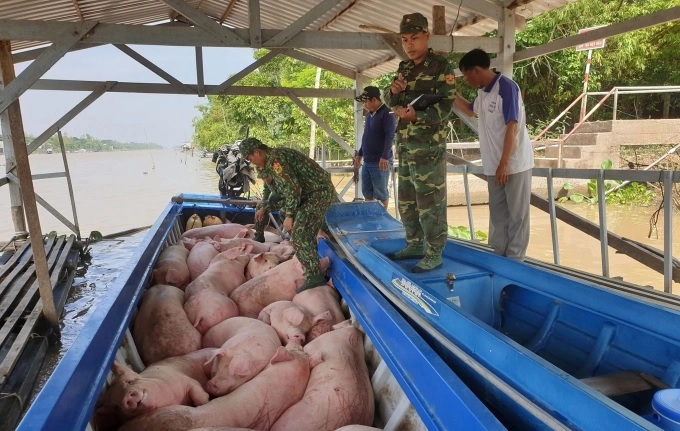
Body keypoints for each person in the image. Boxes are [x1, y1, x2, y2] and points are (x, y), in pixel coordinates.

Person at [383, 12, 456, 273]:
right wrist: (392, 93)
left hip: (429, 148)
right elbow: (390, 102)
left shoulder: (441, 67)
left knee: (430, 201)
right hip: (405, 145)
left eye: (414, 38)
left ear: (426, 36)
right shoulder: (404, 68)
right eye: (404, 40)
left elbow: (447, 107)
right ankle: (414, 243)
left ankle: (435, 251)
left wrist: (419, 115)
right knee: (407, 199)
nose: (409, 45)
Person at [454, 48, 534, 261]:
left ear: (477, 70)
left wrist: (505, 163)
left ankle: (516, 259)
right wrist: (450, 92)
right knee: (498, 213)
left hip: (514, 163)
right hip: (493, 164)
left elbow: (512, 126)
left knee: (517, 214)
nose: (466, 79)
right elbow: (471, 110)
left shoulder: (506, 88)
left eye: (466, 75)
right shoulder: (483, 91)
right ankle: (498, 255)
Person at [240, 137, 337, 292]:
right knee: (298, 229)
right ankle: (310, 263)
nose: (250, 161)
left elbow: (293, 189)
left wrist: (289, 215)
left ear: (257, 152)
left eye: (249, 158)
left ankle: (315, 276)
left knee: (300, 233)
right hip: (307, 194)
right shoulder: (272, 159)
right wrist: (266, 206)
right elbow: (282, 191)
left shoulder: (275, 160)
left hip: (317, 193)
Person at [354, 86, 396, 208]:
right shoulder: (369, 115)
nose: (364, 104)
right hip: (367, 161)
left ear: (373, 99)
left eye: (365, 101)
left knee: (381, 194)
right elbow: (366, 137)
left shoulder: (387, 113)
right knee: (367, 192)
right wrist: (360, 154)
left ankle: (382, 222)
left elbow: (390, 135)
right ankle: (371, 219)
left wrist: (384, 156)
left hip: (380, 161)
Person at [253, 171, 284, 243]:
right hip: (277, 200)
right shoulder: (266, 181)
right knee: (259, 205)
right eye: (263, 178)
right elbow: (266, 193)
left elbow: (283, 197)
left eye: (266, 177)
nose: (265, 180)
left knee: (263, 207)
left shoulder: (281, 180)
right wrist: (262, 205)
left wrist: (264, 208)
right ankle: (259, 234)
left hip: (287, 201)